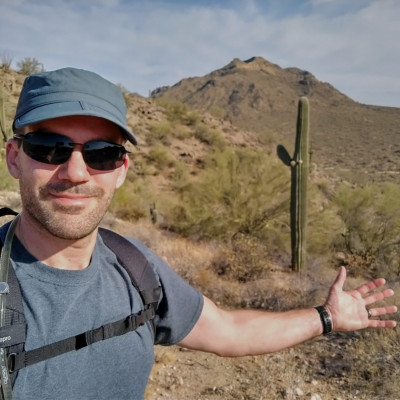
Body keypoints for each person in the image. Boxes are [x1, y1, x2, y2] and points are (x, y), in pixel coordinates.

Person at [0, 67, 397, 400]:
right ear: (15, 158)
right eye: (49, 147)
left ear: (121, 171)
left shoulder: (133, 265)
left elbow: (228, 331)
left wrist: (327, 317)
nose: (75, 172)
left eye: (102, 153)